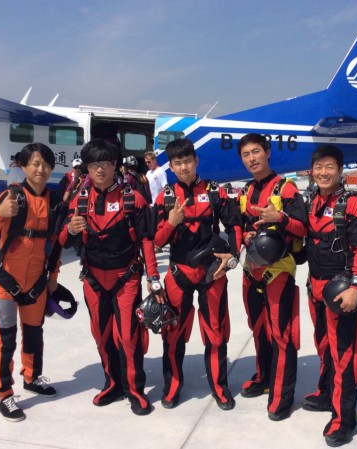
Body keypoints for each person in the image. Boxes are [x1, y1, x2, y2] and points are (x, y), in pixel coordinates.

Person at [58, 139, 163, 416]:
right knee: (101, 335)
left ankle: (135, 389)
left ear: (115, 165)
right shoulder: (80, 199)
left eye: (105, 163)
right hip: (93, 279)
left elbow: (146, 240)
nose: (100, 169)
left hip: (125, 278)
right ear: (87, 168)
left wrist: (153, 278)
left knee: (128, 337)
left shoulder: (133, 198)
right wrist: (71, 229)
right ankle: (113, 383)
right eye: (94, 164)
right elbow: (62, 241)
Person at [153, 138, 242, 411]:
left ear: (196, 161)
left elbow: (235, 225)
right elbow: (157, 240)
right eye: (177, 163)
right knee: (172, 333)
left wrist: (233, 256)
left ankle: (219, 388)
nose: (184, 167)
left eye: (188, 161)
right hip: (178, 273)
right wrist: (171, 223)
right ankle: (172, 387)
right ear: (171, 166)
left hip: (211, 273)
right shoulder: (166, 196)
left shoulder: (215, 191)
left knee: (216, 332)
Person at [0, 143, 64, 422]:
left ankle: (32, 377)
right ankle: (4, 394)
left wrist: (52, 278)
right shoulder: (10, 197)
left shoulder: (54, 202)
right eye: (35, 164)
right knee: (4, 340)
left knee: (34, 334)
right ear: (23, 166)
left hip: (36, 282)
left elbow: (55, 245)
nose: (41, 169)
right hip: (5, 281)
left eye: (46, 164)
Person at [303, 145, 357, 446]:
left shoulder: (352, 204)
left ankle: (344, 420)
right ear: (312, 171)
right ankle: (325, 394)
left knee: (344, 354)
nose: (323, 172)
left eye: (329, 167)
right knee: (323, 346)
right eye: (319, 167)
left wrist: (356, 287)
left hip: (341, 293)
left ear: (341, 170)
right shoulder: (311, 201)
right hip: (315, 289)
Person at [236, 133, 307, 421]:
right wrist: (244, 235)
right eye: (246, 154)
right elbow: (240, 226)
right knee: (258, 328)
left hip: (278, 271)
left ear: (267, 152)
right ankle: (264, 377)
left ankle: (282, 396)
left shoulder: (286, 188)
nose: (251, 158)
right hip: (250, 270)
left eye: (256, 152)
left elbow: (303, 227)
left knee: (281, 334)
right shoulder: (245, 191)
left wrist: (281, 218)